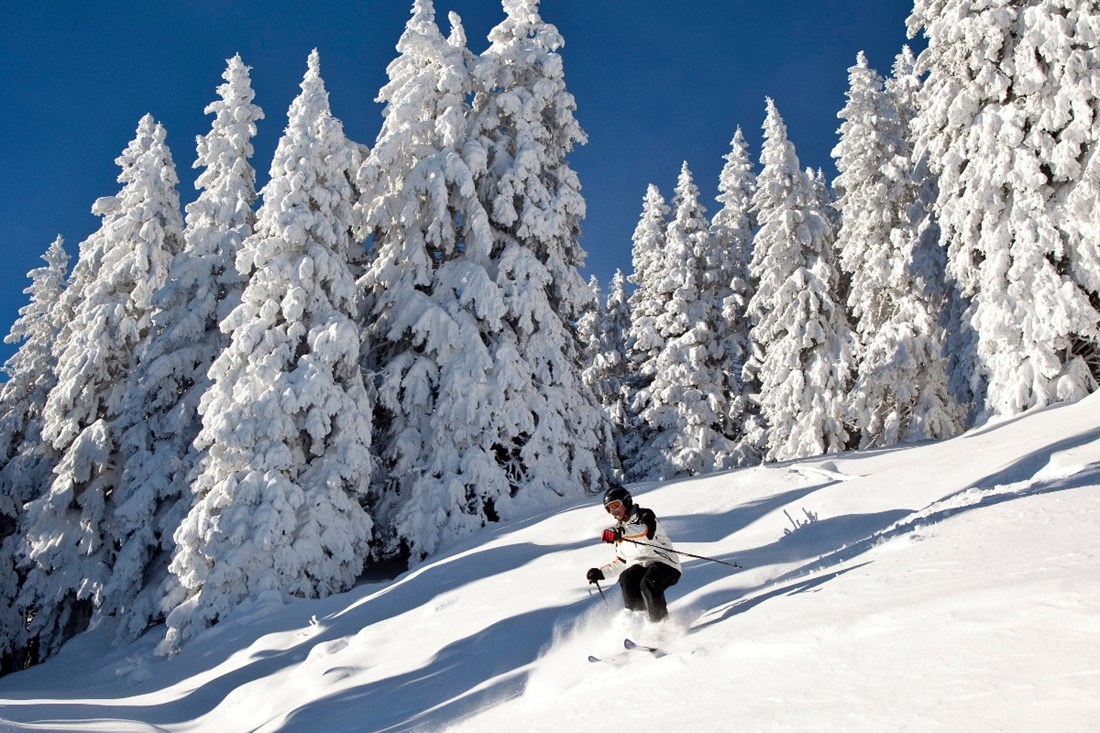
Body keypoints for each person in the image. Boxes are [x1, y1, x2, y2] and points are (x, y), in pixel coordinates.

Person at [586, 484, 682, 622]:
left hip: (665, 564)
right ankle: (639, 621)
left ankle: (660, 624)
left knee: (648, 582)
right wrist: (601, 573)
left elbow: (646, 532)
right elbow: (622, 562)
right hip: (641, 567)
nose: (613, 511)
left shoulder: (645, 515)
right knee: (626, 577)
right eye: (609, 509)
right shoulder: (619, 530)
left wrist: (621, 533)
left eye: (615, 505)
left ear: (626, 501)